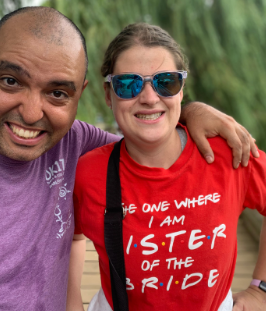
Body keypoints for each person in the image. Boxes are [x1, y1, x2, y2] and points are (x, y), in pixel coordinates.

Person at [0, 6, 258, 311]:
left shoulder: (73, 142)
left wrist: (187, 112)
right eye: (11, 81)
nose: (32, 112)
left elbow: (148, 138)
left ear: (80, 94)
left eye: (166, 82)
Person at [71, 23, 266, 311]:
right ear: (108, 95)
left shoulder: (227, 154)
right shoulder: (87, 174)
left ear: (181, 89)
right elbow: (70, 240)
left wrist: (260, 288)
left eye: (166, 82)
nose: (149, 98)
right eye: (128, 84)